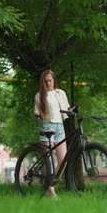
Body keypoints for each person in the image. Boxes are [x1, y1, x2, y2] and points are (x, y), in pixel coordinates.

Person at [34, 69, 74, 199]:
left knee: (63, 161)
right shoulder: (39, 96)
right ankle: (52, 192)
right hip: (47, 126)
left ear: (54, 80)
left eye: (50, 80)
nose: (48, 83)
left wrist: (72, 111)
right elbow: (36, 112)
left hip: (60, 127)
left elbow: (66, 110)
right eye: (45, 81)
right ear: (42, 82)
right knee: (49, 161)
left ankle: (49, 188)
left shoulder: (61, 93)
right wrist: (37, 115)